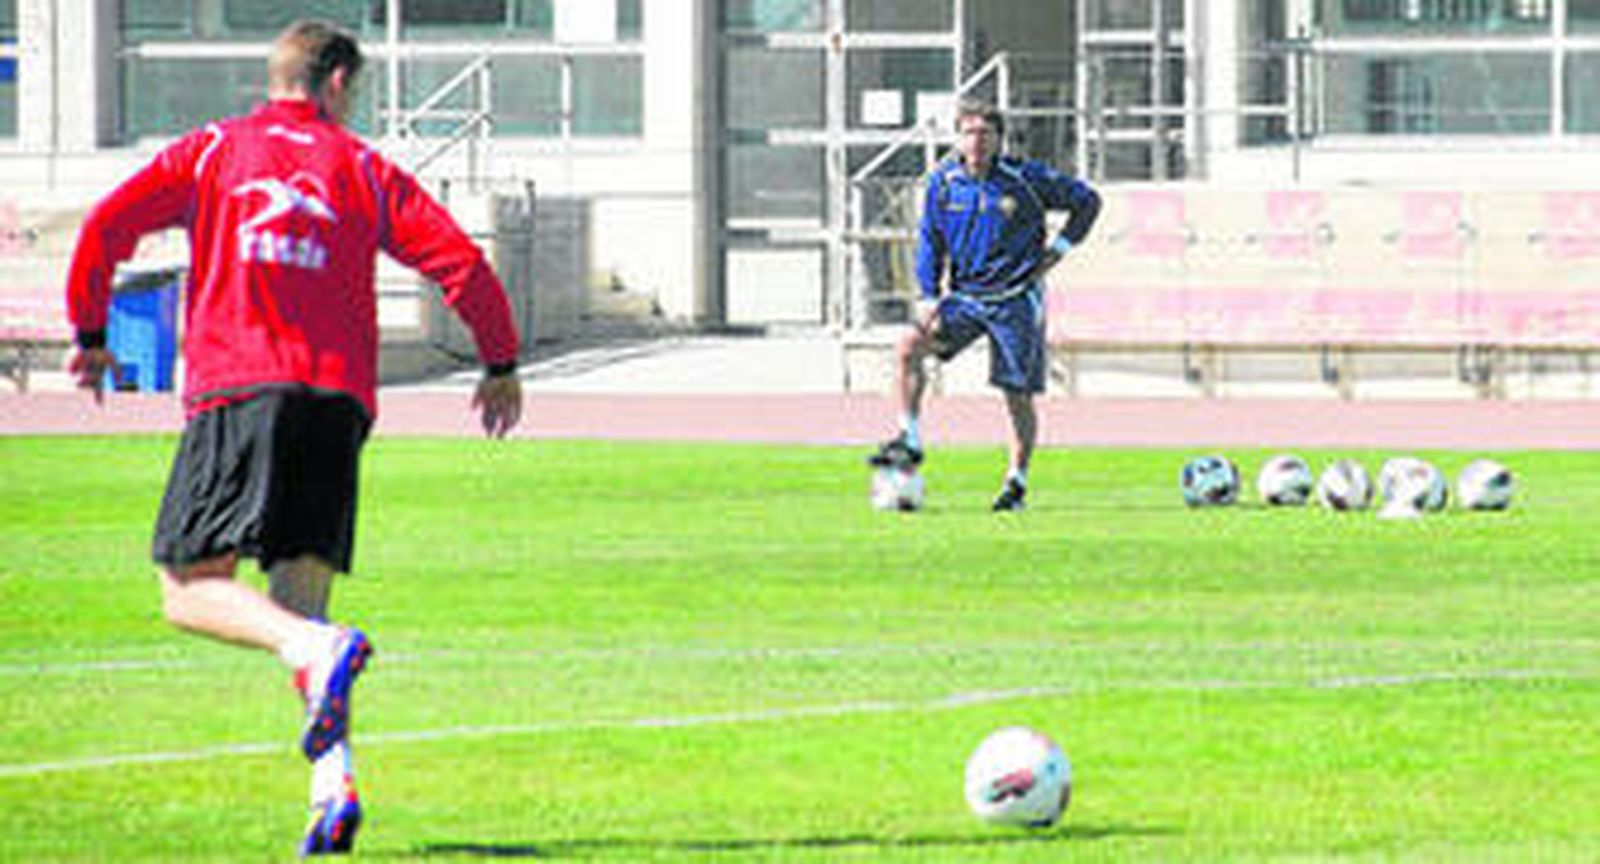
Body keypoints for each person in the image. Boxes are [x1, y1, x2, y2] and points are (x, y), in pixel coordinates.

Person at [64, 20, 523, 856]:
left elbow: (105, 228)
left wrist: (92, 329)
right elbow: (459, 260)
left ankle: (322, 650)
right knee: (296, 605)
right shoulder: (365, 169)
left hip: (240, 387)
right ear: (339, 83)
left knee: (188, 588)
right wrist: (500, 360)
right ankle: (331, 790)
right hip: (336, 405)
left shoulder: (210, 151)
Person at [868, 100, 1100, 511]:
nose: (977, 141)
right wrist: (927, 295)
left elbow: (1087, 201)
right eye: (969, 132)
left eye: (985, 133)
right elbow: (930, 241)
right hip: (964, 299)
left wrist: (1058, 249)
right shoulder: (943, 183)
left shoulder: (1024, 178)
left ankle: (1016, 482)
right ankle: (909, 437)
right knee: (907, 346)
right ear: (957, 137)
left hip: (1015, 300)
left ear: (998, 139)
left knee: (1017, 395)